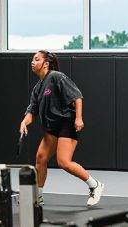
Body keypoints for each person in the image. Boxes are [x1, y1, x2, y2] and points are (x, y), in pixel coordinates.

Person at [18, 50, 106, 206]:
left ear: (45, 63)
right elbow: (32, 110)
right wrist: (25, 122)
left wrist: (79, 118)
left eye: (36, 59)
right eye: (32, 59)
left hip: (66, 122)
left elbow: (77, 96)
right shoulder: (37, 88)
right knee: (40, 158)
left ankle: (95, 185)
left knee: (64, 162)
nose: (32, 62)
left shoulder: (56, 77)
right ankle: (37, 197)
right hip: (51, 127)